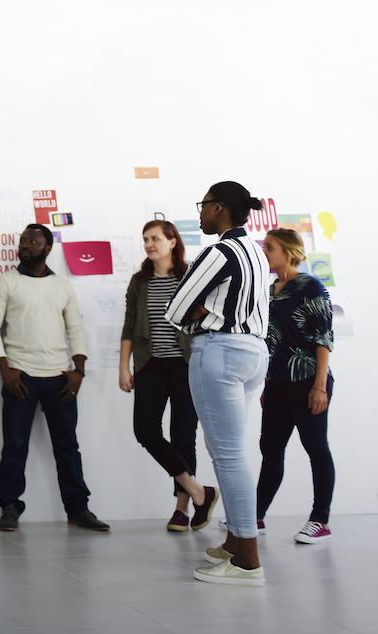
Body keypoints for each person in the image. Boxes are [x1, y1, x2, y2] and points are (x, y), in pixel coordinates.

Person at [166, 181, 271, 586]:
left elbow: (176, 311)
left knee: (228, 456)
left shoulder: (219, 252)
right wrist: (207, 307)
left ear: (219, 208)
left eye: (204, 205)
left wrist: (202, 309)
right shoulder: (256, 251)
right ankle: (234, 543)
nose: (200, 213)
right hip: (253, 352)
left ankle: (247, 560)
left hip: (220, 351)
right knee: (230, 451)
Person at [0, 224, 108, 532]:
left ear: (48, 248)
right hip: (20, 376)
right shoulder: (6, 282)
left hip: (60, 378)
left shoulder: (62, 286)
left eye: (33, 241)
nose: (25, 245)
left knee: (68, 447)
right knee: (15, 446)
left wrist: (79, 370)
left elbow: (75, 328)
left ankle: (78, 509)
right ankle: (9, 506)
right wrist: (5, 370)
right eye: (23, 240)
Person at [118, 220, 218, 532]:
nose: (149, 244)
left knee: (183, 435)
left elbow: (208, 317)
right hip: (150, 365)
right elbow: (129, 325)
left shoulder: (191, 277)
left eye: (155, 238)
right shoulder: (139, 281)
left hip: (186, 365)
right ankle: (199, 491)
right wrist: (123, 366)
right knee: (145, 431)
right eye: (145, 239)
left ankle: (181, 510)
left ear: (172, 241)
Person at [256, 228, 335, 544]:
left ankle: (320, 520)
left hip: (308, 380)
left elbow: (323, 338)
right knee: (270, 449)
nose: (265, 252)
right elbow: (270, 342)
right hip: (277, 382)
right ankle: (255, 516)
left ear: (288, 251)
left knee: (316, 447)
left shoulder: (310, 286)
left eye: (270, 247)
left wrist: (320, 386)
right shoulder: (269, 290)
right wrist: (267, 384)